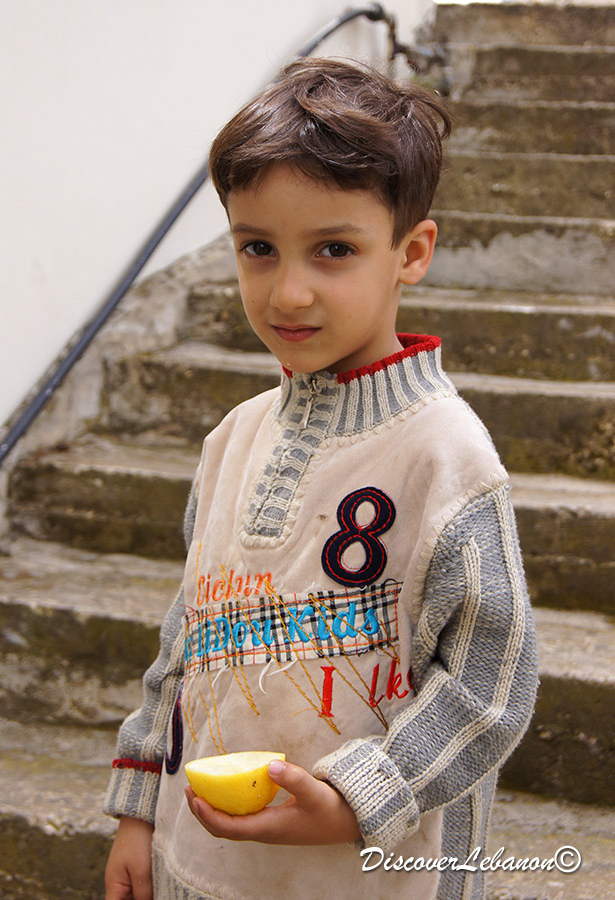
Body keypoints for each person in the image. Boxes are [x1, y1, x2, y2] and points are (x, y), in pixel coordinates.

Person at [103, 57, 538, 900]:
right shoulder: (231, 440)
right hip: (213, 868)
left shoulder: (445, 454)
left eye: (333, 249)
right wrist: (139, 810)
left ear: (411, 253)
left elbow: (492, 683)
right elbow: (184, 644)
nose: (288, 291)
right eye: (258, 248)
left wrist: (356, 798)